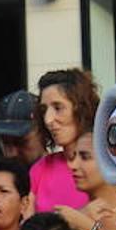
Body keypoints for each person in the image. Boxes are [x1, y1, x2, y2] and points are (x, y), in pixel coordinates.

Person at [30, 68, 98, 214]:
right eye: (44, 110)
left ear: (82, 108)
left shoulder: (108, 166)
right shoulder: (40, 169)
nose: (48, 120)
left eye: (58, 107)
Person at [0, 90, 46, 165]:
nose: (13, 154)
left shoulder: (62, 174)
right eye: (5, 143)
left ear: (44, 134)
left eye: (21, 142)